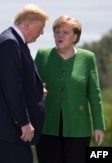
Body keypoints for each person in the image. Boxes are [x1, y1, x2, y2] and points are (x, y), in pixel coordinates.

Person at [0, 4, 49, 163]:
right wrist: (24, 122)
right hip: (8, 130)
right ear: (27, 24)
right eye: (41, 28)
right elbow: (11, 88)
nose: (42, 33)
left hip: (6, 130)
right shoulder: (10, 43)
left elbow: (14, 80)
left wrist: (37, 91)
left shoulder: (12, 40)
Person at [34, 15, 106, 163]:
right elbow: (29, 86)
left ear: (75, 37)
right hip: (47, 127)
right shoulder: (42, 55)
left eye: (65, 32)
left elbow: (95, 94)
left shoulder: (87, 58)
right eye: (57, 31)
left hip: (78, 129)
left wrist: (99, 126)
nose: (60, 35)